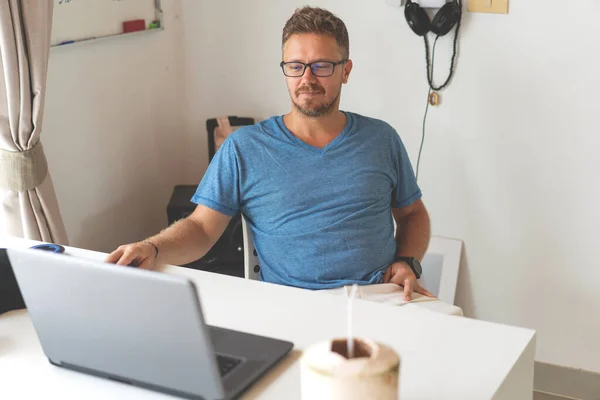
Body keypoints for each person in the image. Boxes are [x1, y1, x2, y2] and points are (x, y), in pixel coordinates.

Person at [106, 6, 434, 302]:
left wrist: (406, 262)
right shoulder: (244, 148)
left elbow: (413, 215)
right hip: (291, 303)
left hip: (381, 297)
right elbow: (202, 229)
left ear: (345, 71)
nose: (307, 79)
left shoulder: (381, 139)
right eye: (295, 66)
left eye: (321, 66)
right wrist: (153, 247)